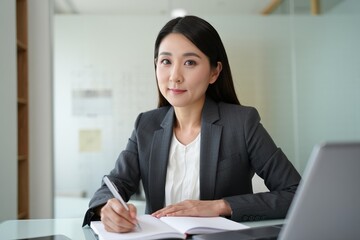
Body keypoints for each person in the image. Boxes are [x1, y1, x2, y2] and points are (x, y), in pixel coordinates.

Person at [82, 15, 301, 233]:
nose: (175, 76)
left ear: (214, 72)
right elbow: (115, 184)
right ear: (156, 65)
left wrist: (219, 206)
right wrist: (106, 208)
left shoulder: (242, 123)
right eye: (166, 61)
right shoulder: (146, 125)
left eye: (190, 62)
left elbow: (296, 192)